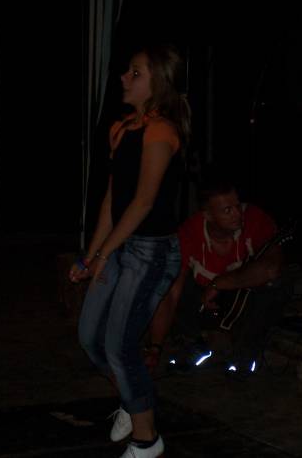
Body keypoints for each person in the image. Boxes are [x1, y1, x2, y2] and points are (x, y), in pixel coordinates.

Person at [68, 43, 190, 458]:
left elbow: (143, 202)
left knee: (120, 346)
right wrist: (91, 256)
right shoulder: (121, 129)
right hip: (121, 246)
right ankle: (132, 400)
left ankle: (147, 440)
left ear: (158, 83)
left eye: (135, 73)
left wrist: (104, 255)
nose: (124, 77)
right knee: (90, 338)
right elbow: (112, 200)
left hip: (151, 252)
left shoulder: (162, 131)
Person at [147, 170, 290, 375]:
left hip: (242, 306)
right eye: (227, 210)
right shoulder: (190, 232)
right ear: (207, 215)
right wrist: (155, 347)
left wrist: (219, 283)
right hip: (205, 306)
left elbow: (271, 268)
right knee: (171, 278)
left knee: (277, 284)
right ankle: (193, 343)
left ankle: (244, 354)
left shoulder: (254, 219)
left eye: (237, 206)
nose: (237, 214)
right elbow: (171, 292)